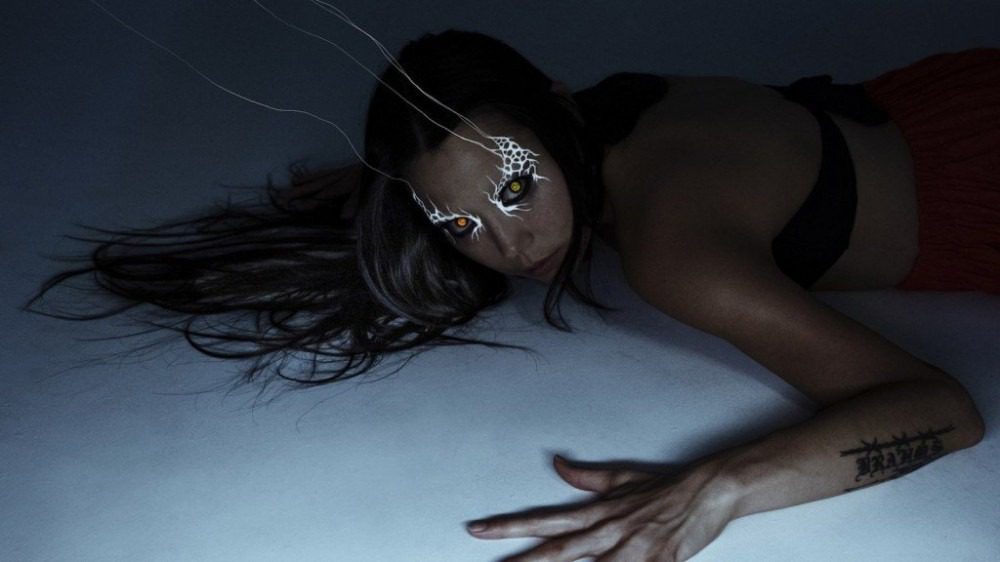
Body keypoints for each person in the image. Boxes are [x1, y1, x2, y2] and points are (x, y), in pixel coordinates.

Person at [23, 28, 996, 561]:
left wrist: (716, 491)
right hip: (942, 100)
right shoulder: (600, 110)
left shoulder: (674, 253)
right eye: (457, 222)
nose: (507, 246)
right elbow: (488, 156)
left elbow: (942, 409)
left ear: (552, 116)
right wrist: (415, 185)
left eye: (517, 192)